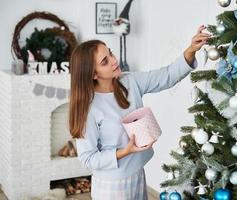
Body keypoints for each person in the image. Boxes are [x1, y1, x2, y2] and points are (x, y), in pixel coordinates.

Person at [68, 25, 210, 200]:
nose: (114, 60)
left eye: (111, 53)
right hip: (111, 186)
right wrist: (125, 151)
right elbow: (87, 159)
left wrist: (191, 49)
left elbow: (167, 76)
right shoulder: (89, 107)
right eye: (105, 61)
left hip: (137, 173)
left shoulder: (129, 81)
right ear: (93, 74)